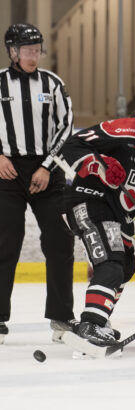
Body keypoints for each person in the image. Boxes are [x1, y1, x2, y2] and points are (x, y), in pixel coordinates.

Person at [59, 92, 135, 347]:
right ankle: (91, 323)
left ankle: (100, 320)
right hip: (90, 201)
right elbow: (71, 145)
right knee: (111, 263)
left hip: (118, 215)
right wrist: (100, 164)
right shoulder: (121, 130)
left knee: (126, 267)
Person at [0, 23, 76, 344]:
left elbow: (66, 126)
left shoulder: (53, 83)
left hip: (47, 171)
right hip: (7, 171)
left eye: (37, 50)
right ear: (13, 52)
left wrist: (47, 166)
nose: (34, 56)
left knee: (60, 240)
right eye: (28, 51)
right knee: (6, 242)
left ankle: (61, 316)